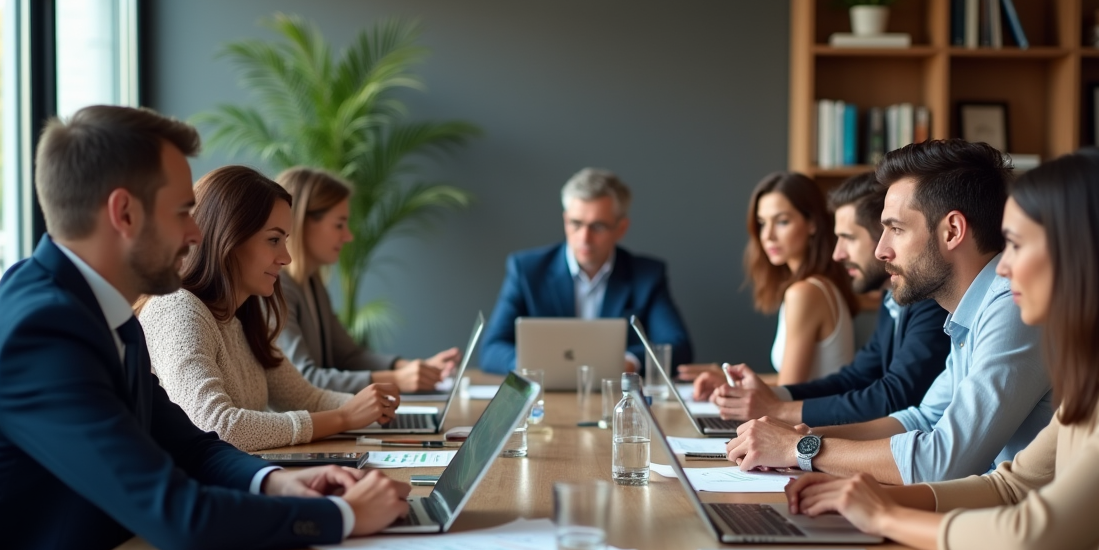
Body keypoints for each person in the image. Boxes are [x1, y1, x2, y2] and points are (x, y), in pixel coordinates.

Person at [0, 106, 409, 550]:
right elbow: (176, 514)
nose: (197, 234)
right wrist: (343, 516)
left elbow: (191, 443)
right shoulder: (42, 332)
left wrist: (278, 483)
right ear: (125, 213)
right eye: (184, 211)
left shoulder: (100, 310)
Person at [786, 148, 1099, 550]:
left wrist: (885, 518)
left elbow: (1034, 535)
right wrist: (857, 497)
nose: (1004, 267)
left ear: (1081, 252)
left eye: (1016, 245)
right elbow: (1013, 486)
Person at [726, 140, 1053, 484]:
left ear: (952, 231)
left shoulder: (1014, 306)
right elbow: (921, 419)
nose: (881, 250)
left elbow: (943, 461)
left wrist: (801, 448)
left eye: (896, 229)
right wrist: (797, 439)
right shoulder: (969, 313)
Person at [138, 165, 401, 452]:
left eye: (284, 241)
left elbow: (305, 399)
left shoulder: (243, 315)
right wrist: (344, 417)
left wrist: (368, 407)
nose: (286, 258)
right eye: (274, 240)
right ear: (229, 237)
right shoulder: (177, 310)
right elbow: (217, 426)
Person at [704, 172, 950, 426]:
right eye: (762, 223)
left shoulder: (929, 302)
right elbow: (854, 378)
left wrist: (777, 409)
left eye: (849, 238)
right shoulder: (892, 301)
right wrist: (773, 397)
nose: (838, 254)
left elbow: (893, 397)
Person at [479, 167, 693, 374]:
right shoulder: (527, 270)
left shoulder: (646, 275)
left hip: (613, 400)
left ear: (621, 228)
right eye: (576, 223)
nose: (584, 238)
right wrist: (531, 364)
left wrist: (627, 362)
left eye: (598, 226)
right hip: (546, 399)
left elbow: (678, 347)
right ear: (565, 220)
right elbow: (492, 349)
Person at [274, 166, 460, 393]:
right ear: (302, 222)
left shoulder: (312, 284)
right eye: (339, 224)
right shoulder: (278, 288)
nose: (348, 236)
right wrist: (397, 379)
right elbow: (303, 380)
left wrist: (412, 368)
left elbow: (349, 355)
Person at [679, 172, 857, 391]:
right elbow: (794, 381)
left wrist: (731, 385)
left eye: (782, 221)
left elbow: (787, 391)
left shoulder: (805, 293)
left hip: (810, 423)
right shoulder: (821, 285)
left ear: (812, 223)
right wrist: (728, 378)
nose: (768, 235)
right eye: (762, 223)